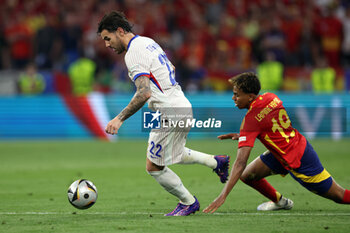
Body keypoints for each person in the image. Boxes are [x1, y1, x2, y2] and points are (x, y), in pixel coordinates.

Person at [97, 11, 230, 216]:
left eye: (108, 38)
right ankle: (216, 162)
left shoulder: (133, 53)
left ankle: (188, 202)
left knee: (153, 166)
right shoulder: (148, 42)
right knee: (171, 153)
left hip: (169, 110)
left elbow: (143, 92)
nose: (106, 44)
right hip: (178, 104)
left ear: (120, 31)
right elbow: (171, 67)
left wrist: (118, 118)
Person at [203, 72, 350, 214]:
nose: (233, 98)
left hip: (299, 159)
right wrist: (243, 136)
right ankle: (280, 202)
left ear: (250, 97)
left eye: (237, 94)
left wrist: (223, 195)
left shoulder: (250, 120)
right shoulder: (271, 97)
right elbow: (270, 126)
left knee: (339, 195)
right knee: (247, 175)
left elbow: (240, 162)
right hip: (285, 150)